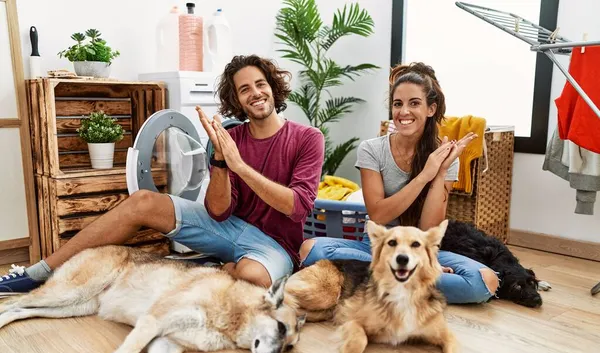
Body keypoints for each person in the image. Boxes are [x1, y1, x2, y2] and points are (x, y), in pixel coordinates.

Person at [0, 54, 325, 295]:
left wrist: (240, 165)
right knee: (142, 200)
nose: (254, 93)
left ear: (273, 88)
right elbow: (218, 210)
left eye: (260, 84)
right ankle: (39, 273)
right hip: (230, 230)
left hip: (275, 246)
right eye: (244, 89)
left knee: (254, 277)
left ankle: (217, 268)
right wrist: (222, 162)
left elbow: (297, 206)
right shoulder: (230, 138)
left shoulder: (308, 138)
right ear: (237, 100)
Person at [299, 62, 499, 304]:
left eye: (414, 103)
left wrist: (440, 171)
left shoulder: (444, 157)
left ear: (430, 109)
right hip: (376, 249)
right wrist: (424, 175)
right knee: (311, 249)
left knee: (484, 280)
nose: (404, 112)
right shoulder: (372, 149)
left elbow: (428, 228)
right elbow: (379, 214)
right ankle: (413, 283)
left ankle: (385, 283)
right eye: (398, 104)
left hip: (419, 251)